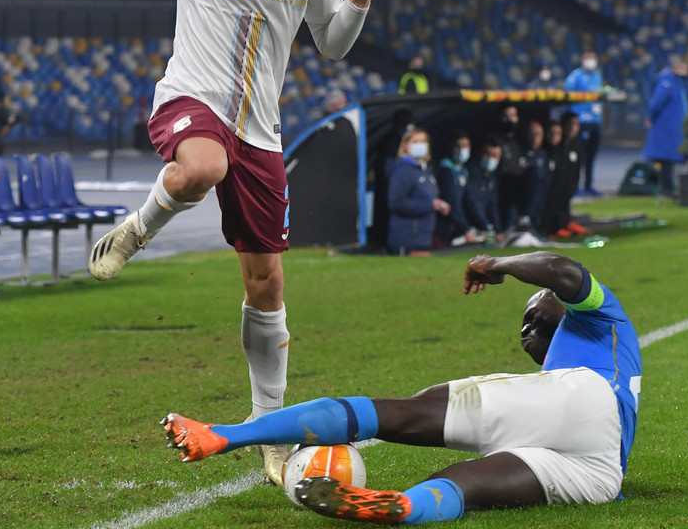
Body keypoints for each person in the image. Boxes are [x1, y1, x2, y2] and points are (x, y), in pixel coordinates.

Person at [0, 0, 384, 485]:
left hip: (261, 130)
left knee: (267, 284)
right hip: (192, 97)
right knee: (201, 166)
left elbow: (332, 44)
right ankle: (137, 228)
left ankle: (269, 431)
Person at [163, 250, 641, 524]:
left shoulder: (603, 316)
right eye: (524, 322)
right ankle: (402, 507)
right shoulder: (580, 367)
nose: (526, 327)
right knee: (470, 484)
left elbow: (560, 269)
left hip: (590, 401)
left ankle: (224, 435)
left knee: (405, 414)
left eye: (536, 315)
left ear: (565, 308)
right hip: (600, 475)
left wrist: (497, 262)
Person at [387, 129, 445, 255]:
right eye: (415, 142)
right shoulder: (402, 170)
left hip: (423, 236)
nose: (420, 145)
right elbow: (396, 203)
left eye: (423, 141)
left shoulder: (425, 170)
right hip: (407, 238)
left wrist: (438, 204)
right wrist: (429, 205)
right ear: (405, 146)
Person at [642, 56, 688, 198]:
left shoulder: (675, 81)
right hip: (666, 125)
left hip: (672, 125)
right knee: (664, 158)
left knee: (668, 158)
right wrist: (651, 117)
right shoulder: (667, 82)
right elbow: (657, 102)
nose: (685, 70)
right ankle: (665, 188)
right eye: (682, 67)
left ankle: (668, 186)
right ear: (675, 67)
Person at [564, 51, 605, 196]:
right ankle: (574, 186)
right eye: (588, 59)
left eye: (593, 59)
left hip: (595, 120)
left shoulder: (598, 76)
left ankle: (588, 185)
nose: (591, 62)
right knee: (578, 156)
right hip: (581, 121)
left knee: (591, 156)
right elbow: (567, 95)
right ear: (582, 60)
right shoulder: (575, 76)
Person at [433, 133, 482, 247]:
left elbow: (468, 201)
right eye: (457, 146)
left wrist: (484, 226)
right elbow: (452, 202)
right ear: (451, 148)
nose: (461, 150)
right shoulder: (445, 169)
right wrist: (466, 229)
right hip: (443, 226)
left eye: (465, 146)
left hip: (456, 224)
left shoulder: (463, 171)